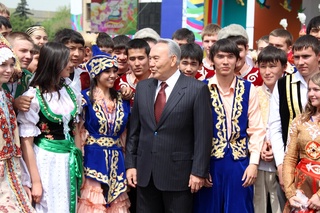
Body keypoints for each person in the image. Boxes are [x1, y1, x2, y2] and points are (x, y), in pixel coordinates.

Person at [125, 38, 212, 213]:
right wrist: (131, 165)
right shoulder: (143, 88)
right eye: (150, 59)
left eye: (156, 59)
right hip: (145, 173)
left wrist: (198, 172)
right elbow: (135, 131)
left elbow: (203, 136)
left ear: (173, 60)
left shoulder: (196, 89)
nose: (151, 63)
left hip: (179, 176)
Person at [193, 38, 265, 213]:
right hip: (209, 163)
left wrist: (253, 164)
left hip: (240, 164)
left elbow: (256, 129)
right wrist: (199, 168)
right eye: (220, 56)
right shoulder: (200, 88)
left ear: (238, 60)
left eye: (230, 57)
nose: (225, 61)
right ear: (212, 60)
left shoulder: (249, 89)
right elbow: (193, 132)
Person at [17, 42, 83, 213]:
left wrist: (78, 160)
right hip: (46, 161)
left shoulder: (70, 92)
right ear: (54, 63)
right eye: (66, 61)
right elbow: (27, 143)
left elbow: (74, 129)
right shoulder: (33, 97)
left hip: (68, 160)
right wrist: (36, 181)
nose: (71, 64)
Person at [77, 45, 131, 212]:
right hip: (92, 158)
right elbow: (78, 132)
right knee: (94, 202)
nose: (113, 75)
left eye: (115, 71)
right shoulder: (85, 98)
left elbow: (126, 134)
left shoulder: (122, 99)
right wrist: (79, 163)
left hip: (117, 158)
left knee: (116, 204)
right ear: (96, 73)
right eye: (108, 71)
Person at [269, 35, 320, 204]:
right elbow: (275, 126)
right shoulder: (283, 84)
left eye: (306, 56)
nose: (300, 62)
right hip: (292, 167)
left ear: (318, 56)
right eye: (296, 57)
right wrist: (281, 165)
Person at [0, 40, 35, 213]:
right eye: (3, 65)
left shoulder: (6, 96)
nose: (8, 70)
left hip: (11, 167)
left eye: (11, 65)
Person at [254, 46, 287, 213]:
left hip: (284, 163)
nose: (267, 72)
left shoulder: (290, 92)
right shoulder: (254, 92)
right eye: (263, 66)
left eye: (272, 66)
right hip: (257, 162)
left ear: (284, 68)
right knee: (258, 206)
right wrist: (259, 147)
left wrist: (276, 148)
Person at [283, 72, 320, 212]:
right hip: (302, 187)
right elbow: (290, 158)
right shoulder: (300, 121)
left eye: (316, 89)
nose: (311, 94)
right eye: (309, 89)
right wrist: (291, 193)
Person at [114, 38, 151, 107]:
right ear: (127, 60)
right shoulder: (117, 83)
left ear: (149, 58)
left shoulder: (159, 82)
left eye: (141, 58)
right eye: (132, 59)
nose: (137, 63)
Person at [5, 32, 34, 112]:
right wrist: (14, 105)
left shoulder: (29, 77)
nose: (29, 56)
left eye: (32, 52)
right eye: (23, 51)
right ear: (9, 50)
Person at [54, 28, 90, 93]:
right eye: (72, 48)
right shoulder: (49, 77)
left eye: (80, 49)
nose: (77, 54)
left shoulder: (85, 75)